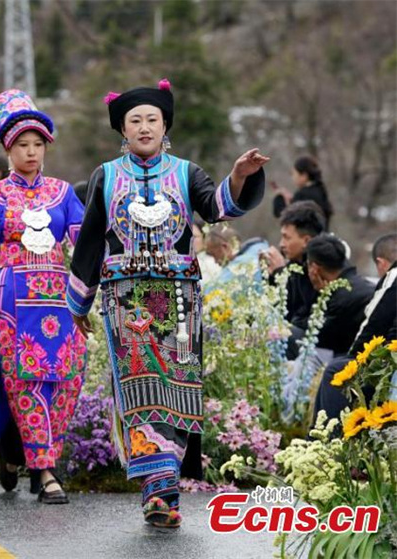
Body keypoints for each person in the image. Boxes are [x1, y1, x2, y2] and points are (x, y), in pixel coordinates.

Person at [67, 79, 268, 528]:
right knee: (139, 392)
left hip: (179, 302)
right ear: (122, 128)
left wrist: (239, 175)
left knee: (177, 391)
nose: (143, 127)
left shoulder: (186, 172)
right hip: (125, 300)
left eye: (151, 120)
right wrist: (78, 305)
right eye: (134, 120)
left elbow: (218, 207)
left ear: (164, 126)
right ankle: (160, 495)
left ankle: (165, 488)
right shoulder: (105, 176)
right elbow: (90, 243)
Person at [0, 89, 87, 504]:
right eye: (22, 145)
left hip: (59, 298)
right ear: (8, 148)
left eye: (38, 145)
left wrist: (94, 287)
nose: (32, 152)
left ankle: (19, 453)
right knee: (24, 380)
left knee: (65, 378)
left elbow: (83, 243)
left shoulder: (63, 192)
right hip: (14, 299)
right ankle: (46, 471)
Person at [313, 233, 397, 423]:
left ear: (381, 263)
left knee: (336, 371)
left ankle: (325, 439)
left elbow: (373, 325)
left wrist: (352, 358)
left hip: (391, 362)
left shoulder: (393, 274)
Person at [261, 201, 326, 355]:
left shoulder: (321, 265)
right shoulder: (295, 263)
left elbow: (303, 311)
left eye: (287, 238)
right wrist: (269, 275)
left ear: (306, 241)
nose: (281, 244)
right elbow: (276, 308)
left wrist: (280, 272)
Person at [303, 234, 375, 355]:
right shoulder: (359, 285)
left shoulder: (340, 298)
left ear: (314, 268)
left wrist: (323, 296)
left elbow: (318, 337)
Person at [272, 155, 333, 230]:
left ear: (304, 175)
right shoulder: (320, 191)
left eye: (294, 174)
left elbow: (285, 216)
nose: (293, 177)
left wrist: (279, 197)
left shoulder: (303, 194)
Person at [203, 225, 269, 290]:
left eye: (214, 255)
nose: (215, 261)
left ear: (225, 247)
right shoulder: (259, 250)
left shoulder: (241, 266)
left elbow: (213, 291)